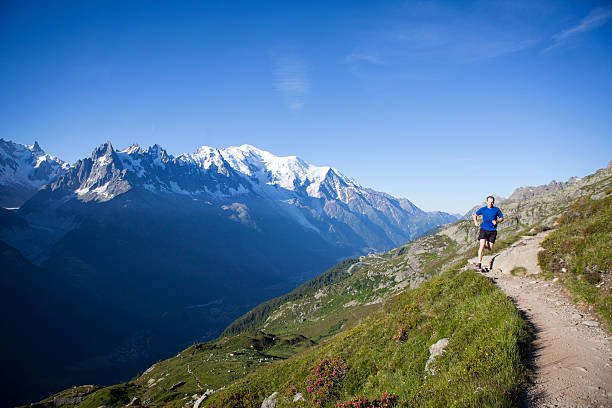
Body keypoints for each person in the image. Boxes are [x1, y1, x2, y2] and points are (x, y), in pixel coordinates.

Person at [473, 196, 504, 271]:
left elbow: (501, 218)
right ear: (486, 202)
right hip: (484, 229)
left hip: (493, 230)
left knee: (490, 248)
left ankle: (487, 243)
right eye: (489, 201)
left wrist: (497, 221)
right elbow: (475, 215)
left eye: (492, 202)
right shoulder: (483, 209)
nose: (491, 203)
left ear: (494, 202)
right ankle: (479, 263)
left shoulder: (496, 210)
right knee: (482, 245)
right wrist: (476, 222)